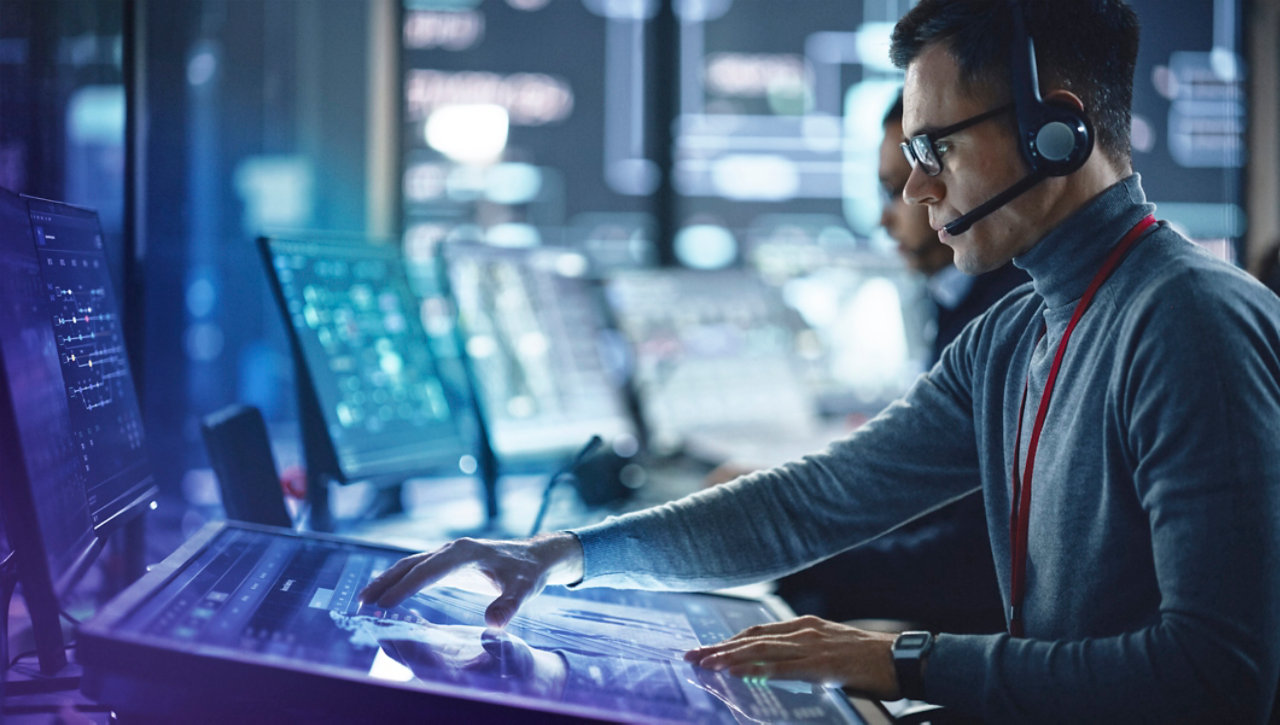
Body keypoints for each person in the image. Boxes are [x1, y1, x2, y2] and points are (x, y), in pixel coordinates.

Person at [362, 1, 1280, 721]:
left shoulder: (1187, 323)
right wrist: (564, 555)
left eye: (937, 147)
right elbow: (815, 499)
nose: (918, 187)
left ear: (1058, 130)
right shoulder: (1017, 336)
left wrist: (896, 658)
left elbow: (1215, 678)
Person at [775, 92, 1028, 634]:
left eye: (898, 187)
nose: (895, 211)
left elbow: (974, 564)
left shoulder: (1012, 317)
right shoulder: (960, 302)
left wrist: (800, 558)